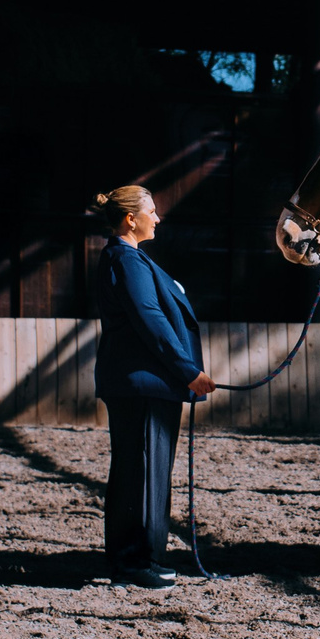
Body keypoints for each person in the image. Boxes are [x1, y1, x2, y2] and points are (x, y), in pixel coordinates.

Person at [89, 185, 215, 588]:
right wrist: (187, 371)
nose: (157, 218)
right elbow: (150, 319)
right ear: (131, 219)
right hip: (144, 384)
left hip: (144, 384)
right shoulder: (127, 260)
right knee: (142, 471)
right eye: (152, 211)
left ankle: (142, 557)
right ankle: (134, 562)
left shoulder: (129, 259)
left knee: (144, 470)